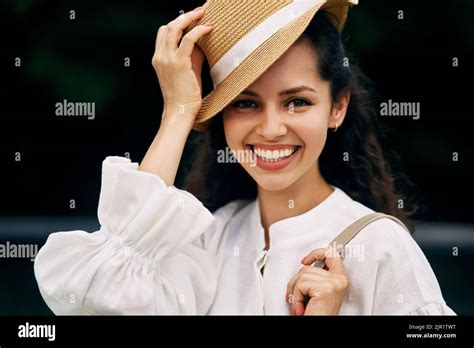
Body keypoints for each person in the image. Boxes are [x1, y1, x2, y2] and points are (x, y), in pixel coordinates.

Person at [34, 1, 455, 315]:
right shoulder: (210, 237)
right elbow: (96, 295)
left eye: (297, 102)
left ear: (337, 108)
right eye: (246, 104)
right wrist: (178, 111)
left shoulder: (380, 245)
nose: (272, 129)